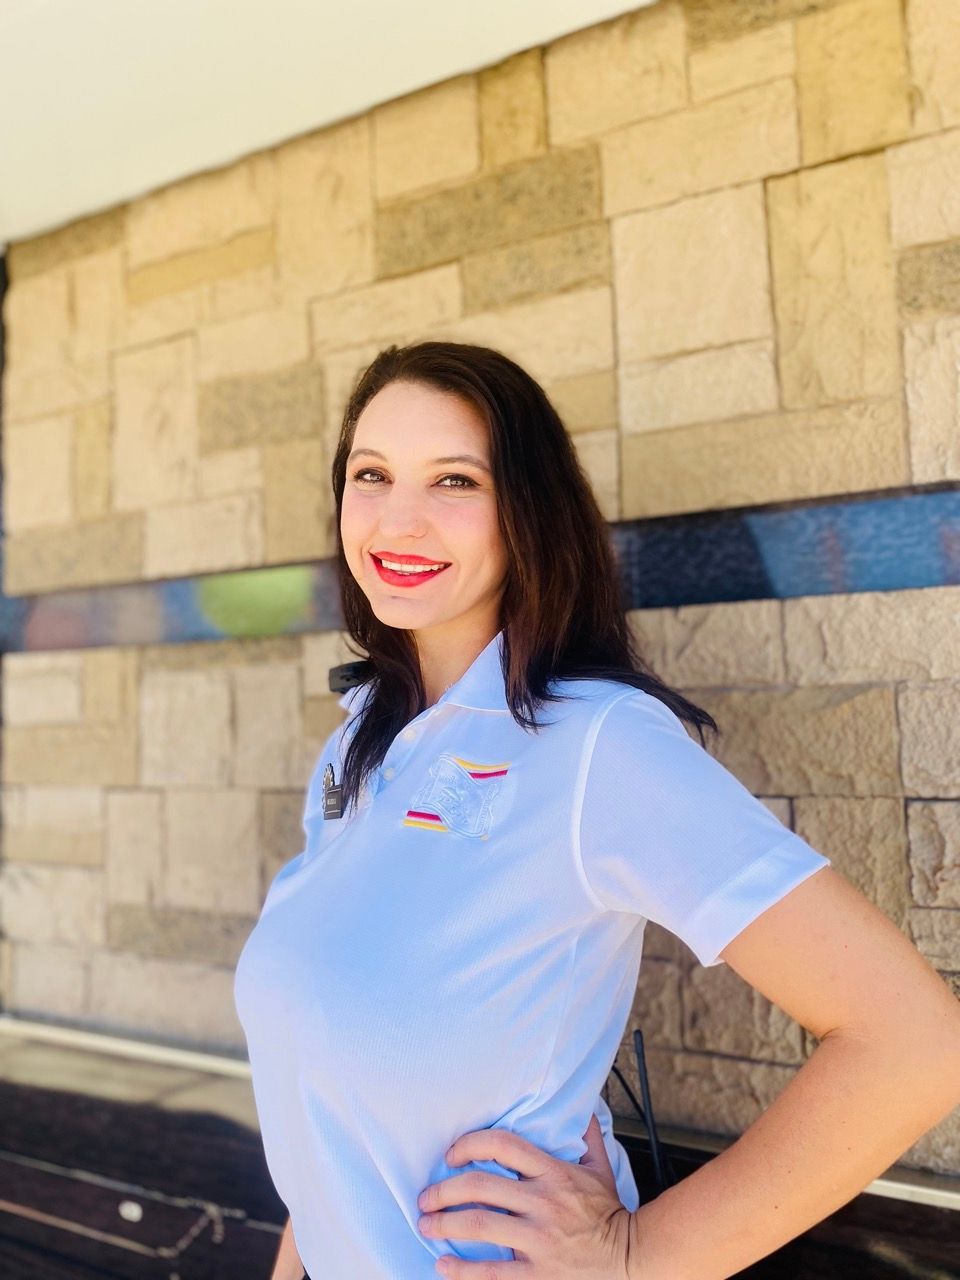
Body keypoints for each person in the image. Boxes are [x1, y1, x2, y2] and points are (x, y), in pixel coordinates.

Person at [233, 340, 960, 1280]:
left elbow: (911, 1040)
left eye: (455, 481)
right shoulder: (360, 744)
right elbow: (327, 1119)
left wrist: (634, 1256)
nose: (397, 520)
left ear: (526, 512)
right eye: (371, 474)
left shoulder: (598, 746)